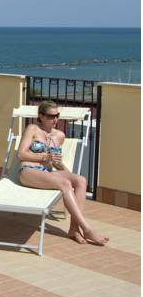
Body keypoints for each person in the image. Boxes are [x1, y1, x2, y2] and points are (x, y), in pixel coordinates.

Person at [18, 100, 109, 246]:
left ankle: (74, 228)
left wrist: (69, 174)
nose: (55, 119)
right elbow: (21, 154)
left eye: (57, 116)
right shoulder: (33, 129)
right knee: (65, 184)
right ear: (41, 116)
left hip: (46, 172)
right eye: (50, 116)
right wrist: (45, 157)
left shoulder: (59, 135)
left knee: (81, 180)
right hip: (29, 170)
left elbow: (55, 162)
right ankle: (87, 229)